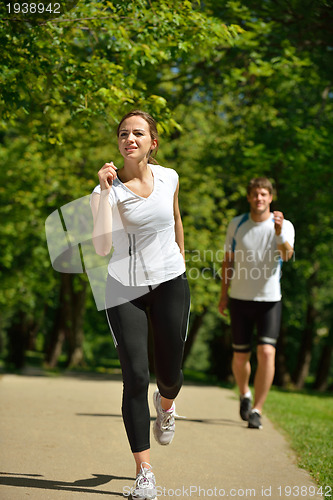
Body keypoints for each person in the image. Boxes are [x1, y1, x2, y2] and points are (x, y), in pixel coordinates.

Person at [90, 110, 190, 499]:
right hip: (124, 287)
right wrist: (101, 192)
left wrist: (180, 256)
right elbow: (101, 247)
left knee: (171, 373)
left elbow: (176, 218)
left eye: (137, 133)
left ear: (153, 142)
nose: (129, 139)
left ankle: (166, 406)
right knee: (135, 376)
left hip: (169, 281)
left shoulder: (170, 177)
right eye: (122, 134)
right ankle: (144, 472)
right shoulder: (108, 189)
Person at [218, 177, 294, 430]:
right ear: (249, 197)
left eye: (264, 194)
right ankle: (244, 394)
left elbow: (287, 255)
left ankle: (258, 410)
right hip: (240, 299)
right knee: (240, 358)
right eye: (255, 194)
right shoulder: (237, 224)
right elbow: (227, 261)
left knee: (267, 352)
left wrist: (279, 233)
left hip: (270, 300)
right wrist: (223, 294)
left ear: (271, 197)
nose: (259, 198)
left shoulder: (283, 225)